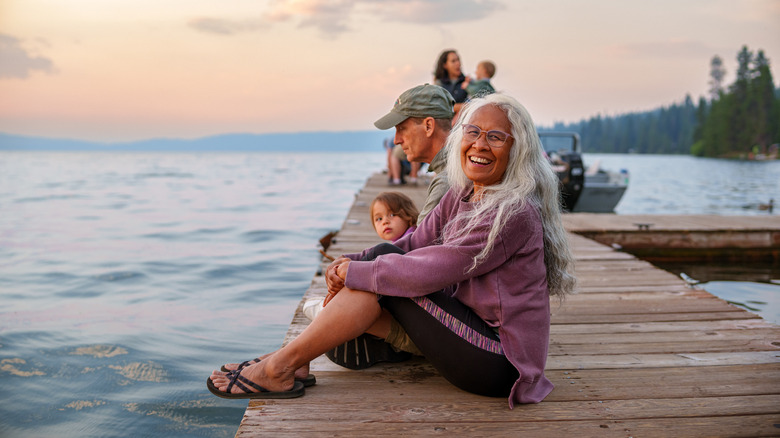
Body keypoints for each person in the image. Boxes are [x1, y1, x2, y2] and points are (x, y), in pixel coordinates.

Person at [208, 93, 577, 408]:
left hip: (503, 363)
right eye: (473, 132)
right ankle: (293, 361)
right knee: (383, 257)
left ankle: (281, 366)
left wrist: (356, 274)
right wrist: (351, 261)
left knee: (388, 279)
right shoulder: (463, 192)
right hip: (470, 332)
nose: (480, 144)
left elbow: (433, 269)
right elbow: (413, 242)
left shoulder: (512, 212)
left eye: (496, 137)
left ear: (517, 150)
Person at [374, 84, 454, 222]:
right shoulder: (456, 166)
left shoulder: (447, 181)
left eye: (402, 128)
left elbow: (419, 241)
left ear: (428, 126)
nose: (396, 140)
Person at [433, 49, 468, 114]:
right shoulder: (439, 83)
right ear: (445, 65)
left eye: (458, 60)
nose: (458, 63)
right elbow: (440, 106)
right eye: (453, 61)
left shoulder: (467, 81)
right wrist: (463, 106)